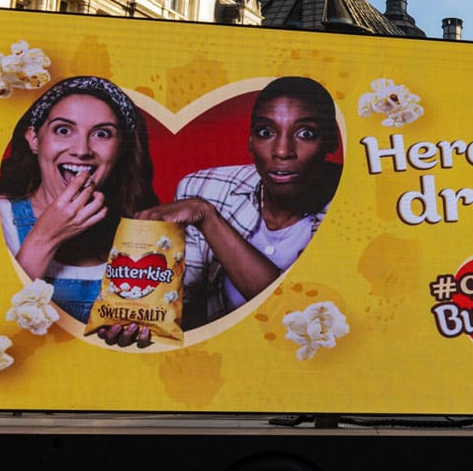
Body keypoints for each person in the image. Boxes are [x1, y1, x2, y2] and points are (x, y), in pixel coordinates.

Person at [139, 77, 343, 329]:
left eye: (305, 133)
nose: (281, 150)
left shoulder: (351, 207)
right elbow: (184, 302)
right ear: (249, 141)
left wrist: (208, 218)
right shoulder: (204, 188)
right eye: (265, 132)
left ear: (331, 141)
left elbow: (297, 317)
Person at [0, 76, 158, 324]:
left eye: (102, 134)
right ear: (34, 139)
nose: (82, 150)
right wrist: (44, 236)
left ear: (120, 149)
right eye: (63, 130)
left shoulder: (143, 240)